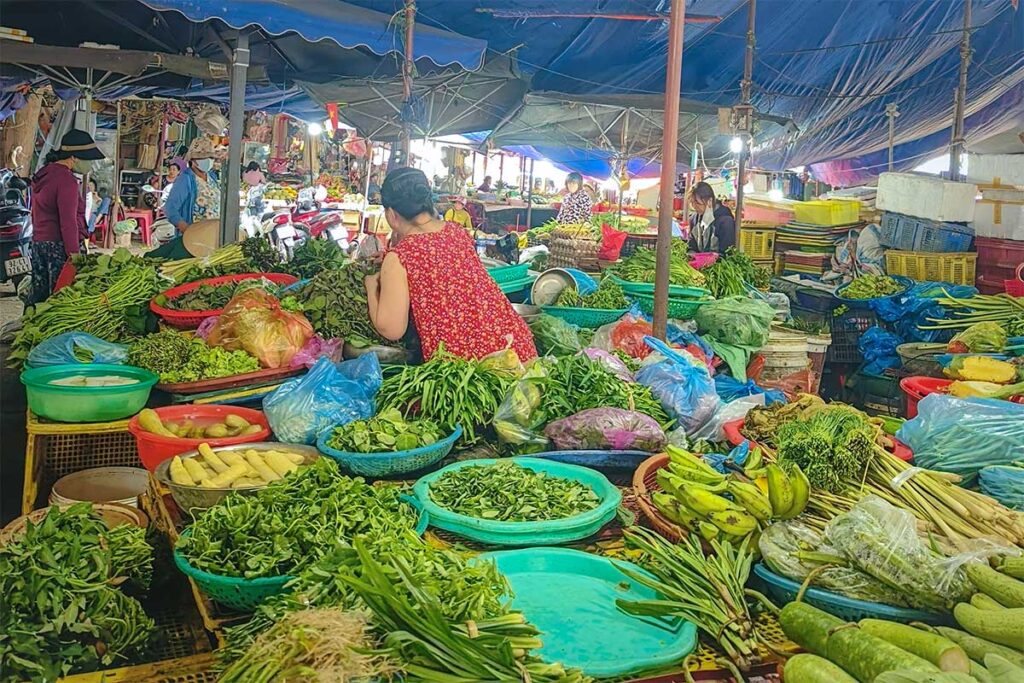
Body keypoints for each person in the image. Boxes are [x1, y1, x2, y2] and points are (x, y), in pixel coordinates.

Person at [365, 167, 536, 362]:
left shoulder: (399, 258)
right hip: (515, 350)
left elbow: (391, 329)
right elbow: (435, 257)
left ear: (391, 214)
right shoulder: (456, 232)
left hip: (473, 371)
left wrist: (372, 286)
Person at [29, 129, 104, 303]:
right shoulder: (66, 180)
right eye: (89, 160)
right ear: (74, 158)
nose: (91, 165)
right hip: (59, 247)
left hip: (40, 245)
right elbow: (68, 222)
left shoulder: (45, 173)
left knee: (39, 298)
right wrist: (74, 256)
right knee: (61, 300)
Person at [151, 138, 220, 259]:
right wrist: (187, 231)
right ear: (193, 160)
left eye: (211, 158)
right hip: (194, 238)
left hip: (213, 236)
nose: (208, 161)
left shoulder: (212, 177)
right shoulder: (186, 179)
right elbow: (170, 208)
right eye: (203, 158)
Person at [688, 181, 736, 253]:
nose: (694, 206)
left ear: (709, 201)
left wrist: (710, 259)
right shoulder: (694, 219)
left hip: (718, 263)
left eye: (697, 203)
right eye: (692, 202)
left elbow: (727, 252)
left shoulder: (725, 221)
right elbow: (691, 246)